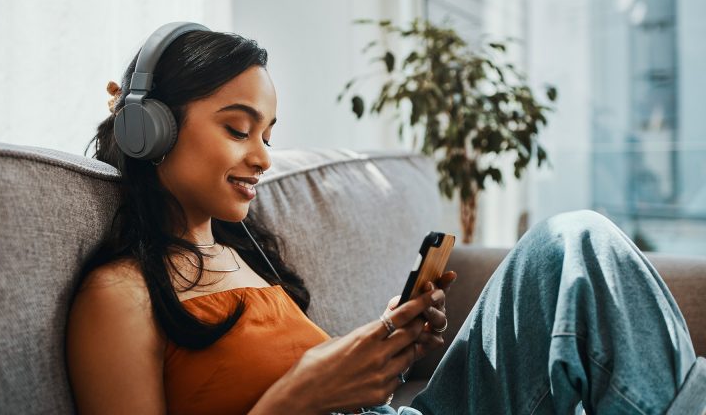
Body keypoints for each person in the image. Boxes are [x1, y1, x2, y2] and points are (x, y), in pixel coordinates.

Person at [66, 22, 705, 415]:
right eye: (238, 129)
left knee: (574, 244)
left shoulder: (244, 255)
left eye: (268, 132)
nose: (263, 157)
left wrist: (383, 351)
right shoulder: (119, 298)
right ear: (152, 129)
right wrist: (297, 398)